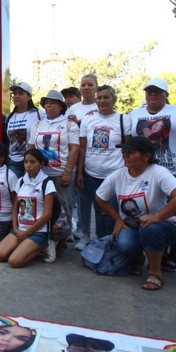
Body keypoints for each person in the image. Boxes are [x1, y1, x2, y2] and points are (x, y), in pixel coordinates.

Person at [94, 137, 176, 290]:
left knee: (150, 229)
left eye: (131, 153)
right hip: (133, 227)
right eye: (124, 152)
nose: (125, 155)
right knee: (125, 244)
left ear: (146, 157)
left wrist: (158, 217)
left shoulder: (159, 172)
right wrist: (118, 219)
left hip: (164, 226)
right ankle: (138, 258)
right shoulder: (118, 175)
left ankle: (154, 272)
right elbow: (100, 197)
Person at [128, 78, 176, 272]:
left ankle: (173, 254)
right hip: (144, 171)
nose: (153, 95)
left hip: (173, 170)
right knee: (144, 209)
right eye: (149, 92)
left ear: (166, 94)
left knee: (175, 213)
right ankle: (149, 252)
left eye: (157, 92)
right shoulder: (134, 114)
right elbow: (130, 141)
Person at [76, 85, 131, 249]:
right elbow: (82, 148)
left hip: (115, 174)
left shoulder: (123, 119)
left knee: (113, 211)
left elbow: (128, 147)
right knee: (98, 210)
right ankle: (102, 244)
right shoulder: (88, 119)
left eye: (106, 97)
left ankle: (115, 242)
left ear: (114, 99)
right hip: (92, 173)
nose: (102, 101)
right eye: (99, 98)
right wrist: (79, 172)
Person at [29, 90, 80, 259]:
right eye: (46, 103)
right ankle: (45, 240)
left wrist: (68, 172)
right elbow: (31, 149)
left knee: (65, 209)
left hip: (61, 175)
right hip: (41, 175)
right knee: (43, 209)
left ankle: (62, 242)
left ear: (61, 107)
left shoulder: (69, 125)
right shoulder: (37, 125)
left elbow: (75, 150)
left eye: (53, 103)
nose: (49, 106)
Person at [0, 149, 57, 268]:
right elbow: (15, 208)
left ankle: (43, 246)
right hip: (20, 230)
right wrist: (16, 228)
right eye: (26, 162)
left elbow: (48, 214)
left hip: (37, 232)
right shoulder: (21, 181)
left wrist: (27, 233)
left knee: (14, 261)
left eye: (33, 162)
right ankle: (23, 247)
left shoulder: (47, 183)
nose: (28, 165)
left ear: (41, 164)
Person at [67, 75, 99, 241]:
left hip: (96, 156)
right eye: (83, 85)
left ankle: (102, 236)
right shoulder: (73, 108)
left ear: (96, 88)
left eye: (90, 85)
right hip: (77, 155)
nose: (86, 88)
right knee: (81, 198)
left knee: (100, 200)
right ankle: (83, 232)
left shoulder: (100, 105)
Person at [5, 82, 41, 178]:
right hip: (13, 161)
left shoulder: (38, 114)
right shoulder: (10, 117)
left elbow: (55, 120)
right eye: (15, 93)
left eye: (21, 93)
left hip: (32, 161)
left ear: (29, 97)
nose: (16, 96)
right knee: (13, 190)